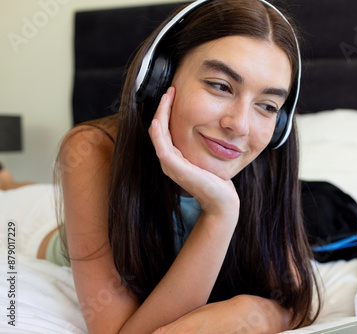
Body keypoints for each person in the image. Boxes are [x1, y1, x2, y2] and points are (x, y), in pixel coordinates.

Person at [42, 0, 321, 332]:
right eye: (220, 86)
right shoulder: (93, 149)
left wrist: (248, 312)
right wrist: (221, 213)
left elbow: (295, 303)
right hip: (57, 245)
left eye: (267, 105)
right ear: (160, 79)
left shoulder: (266, 163)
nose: (240, 125)